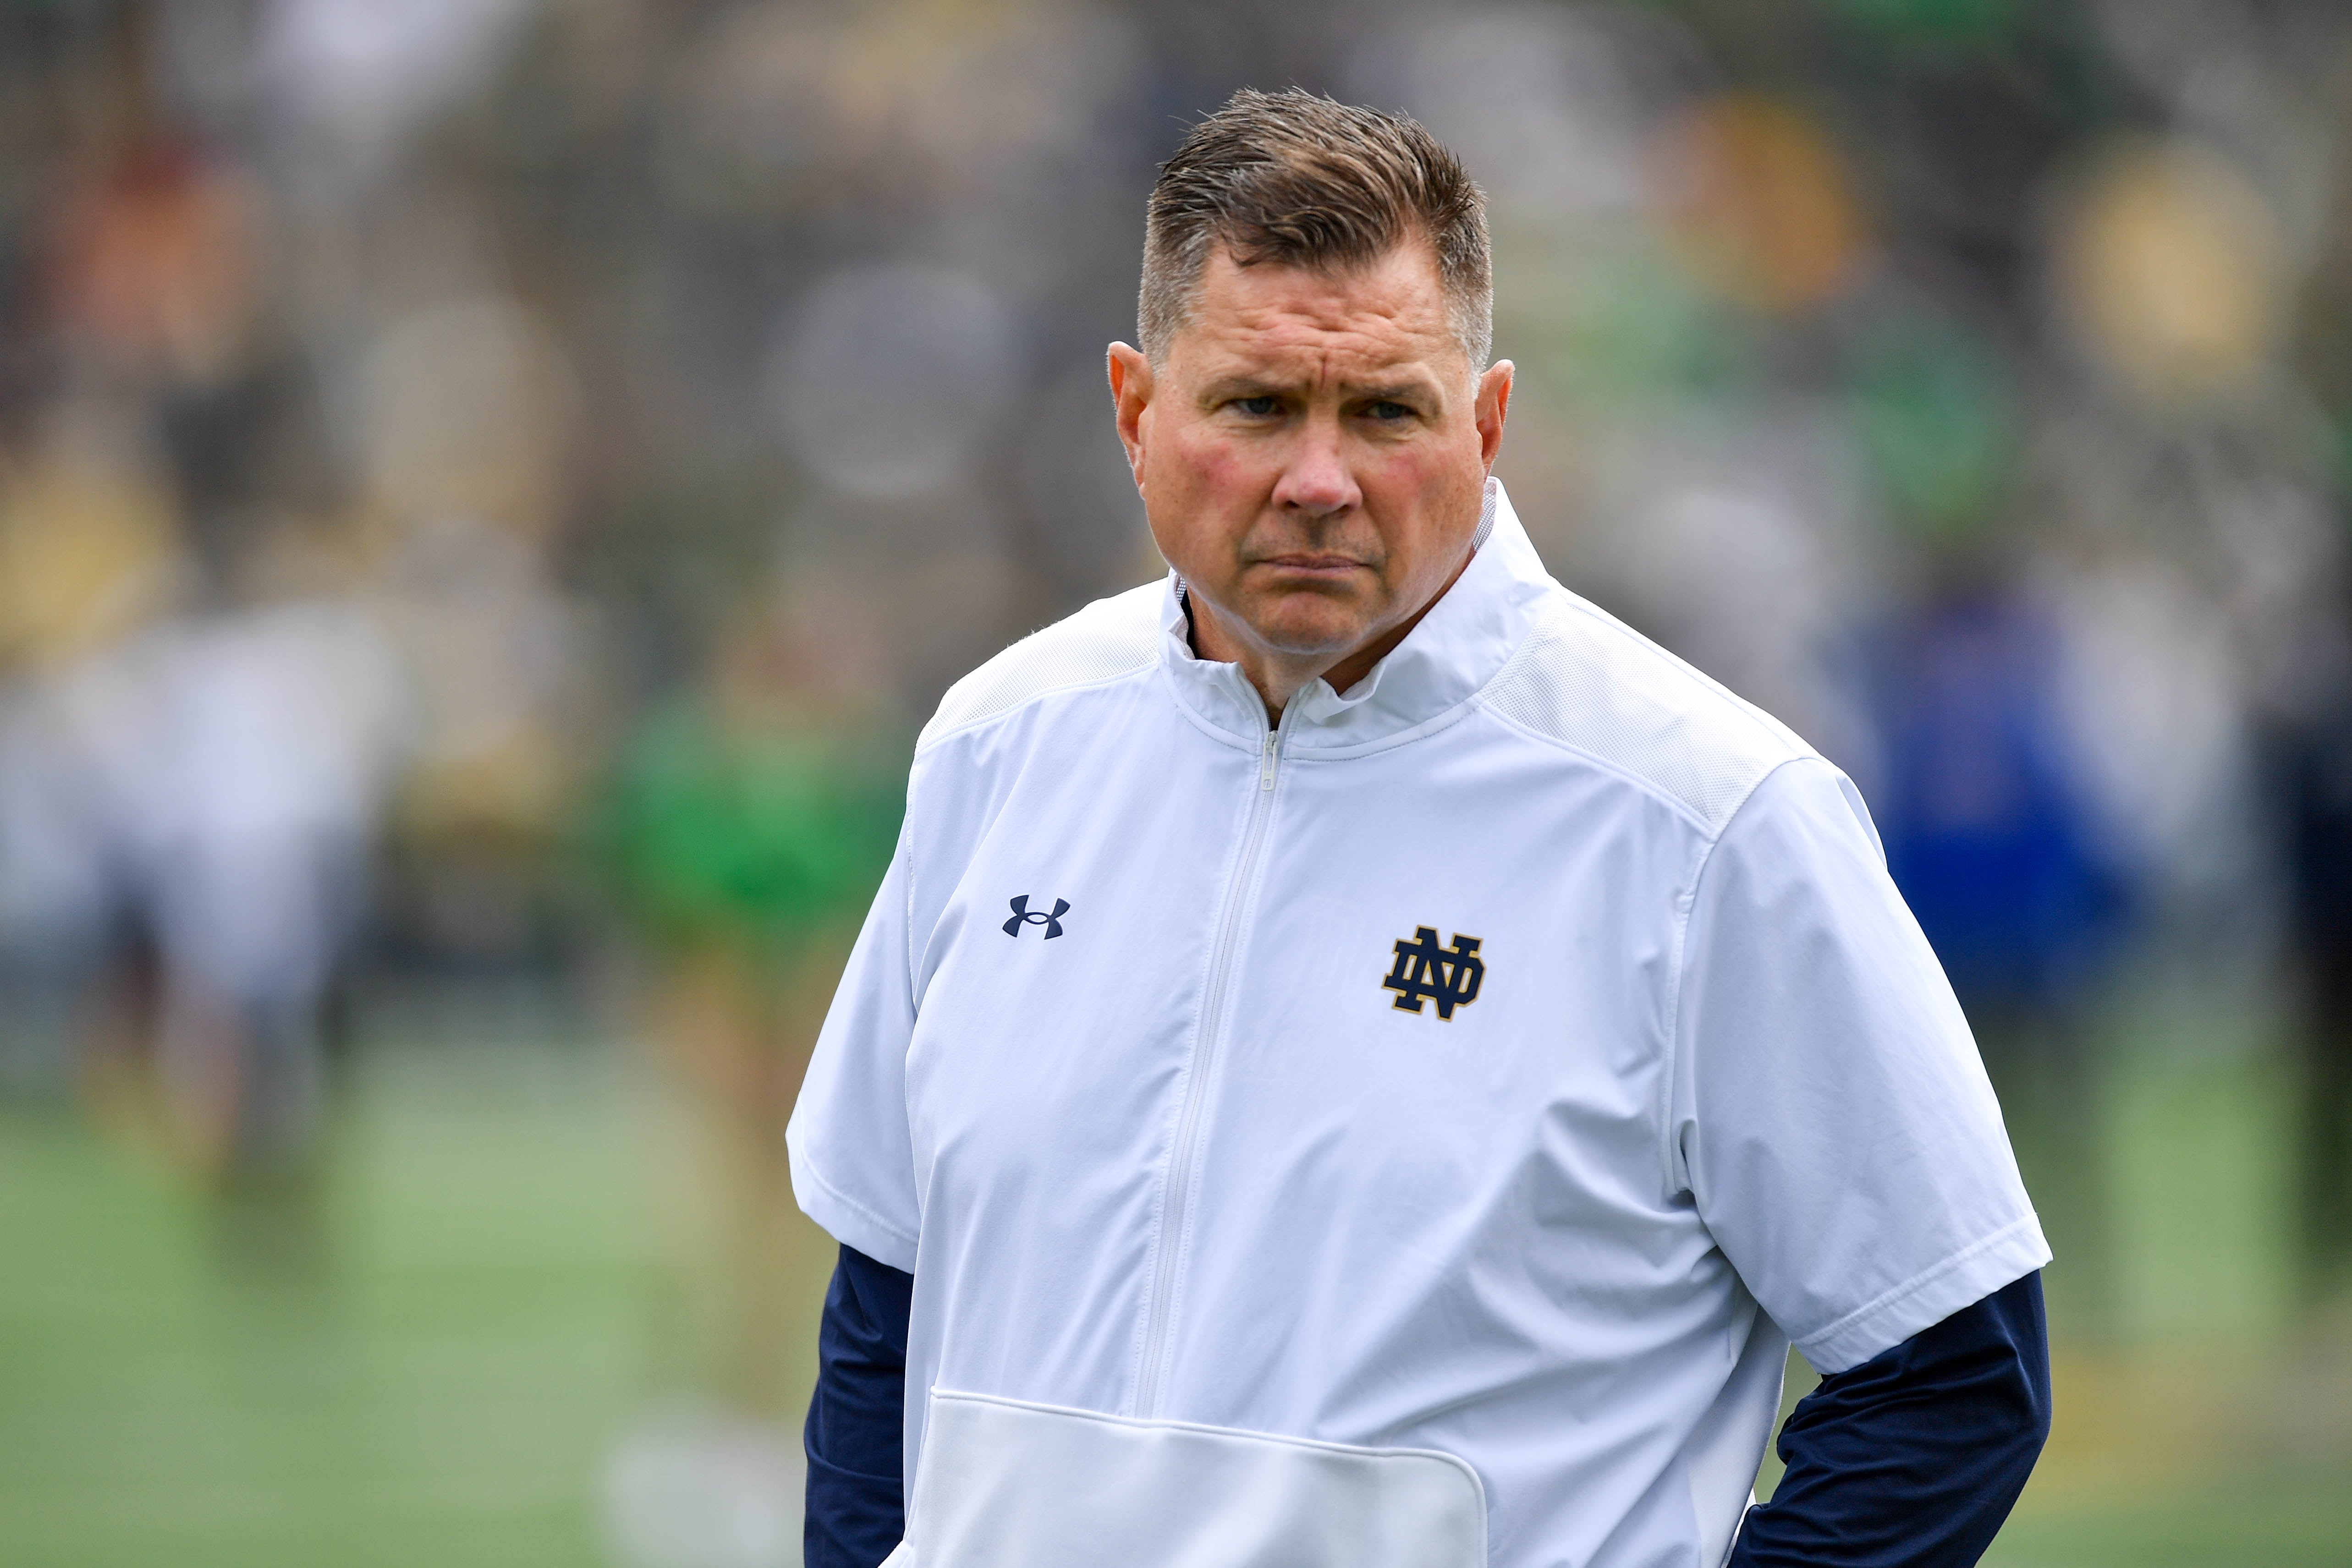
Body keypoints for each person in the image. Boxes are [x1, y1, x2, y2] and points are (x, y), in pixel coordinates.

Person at [789, 90, 2051, 1568]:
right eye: (1256, 406)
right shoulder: (998, 745)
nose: (1318, 482)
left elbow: (1949, 1372)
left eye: (1385, 412)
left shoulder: (1710, 821)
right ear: (1136, 414)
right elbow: (884, 1306)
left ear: (1485, 424)